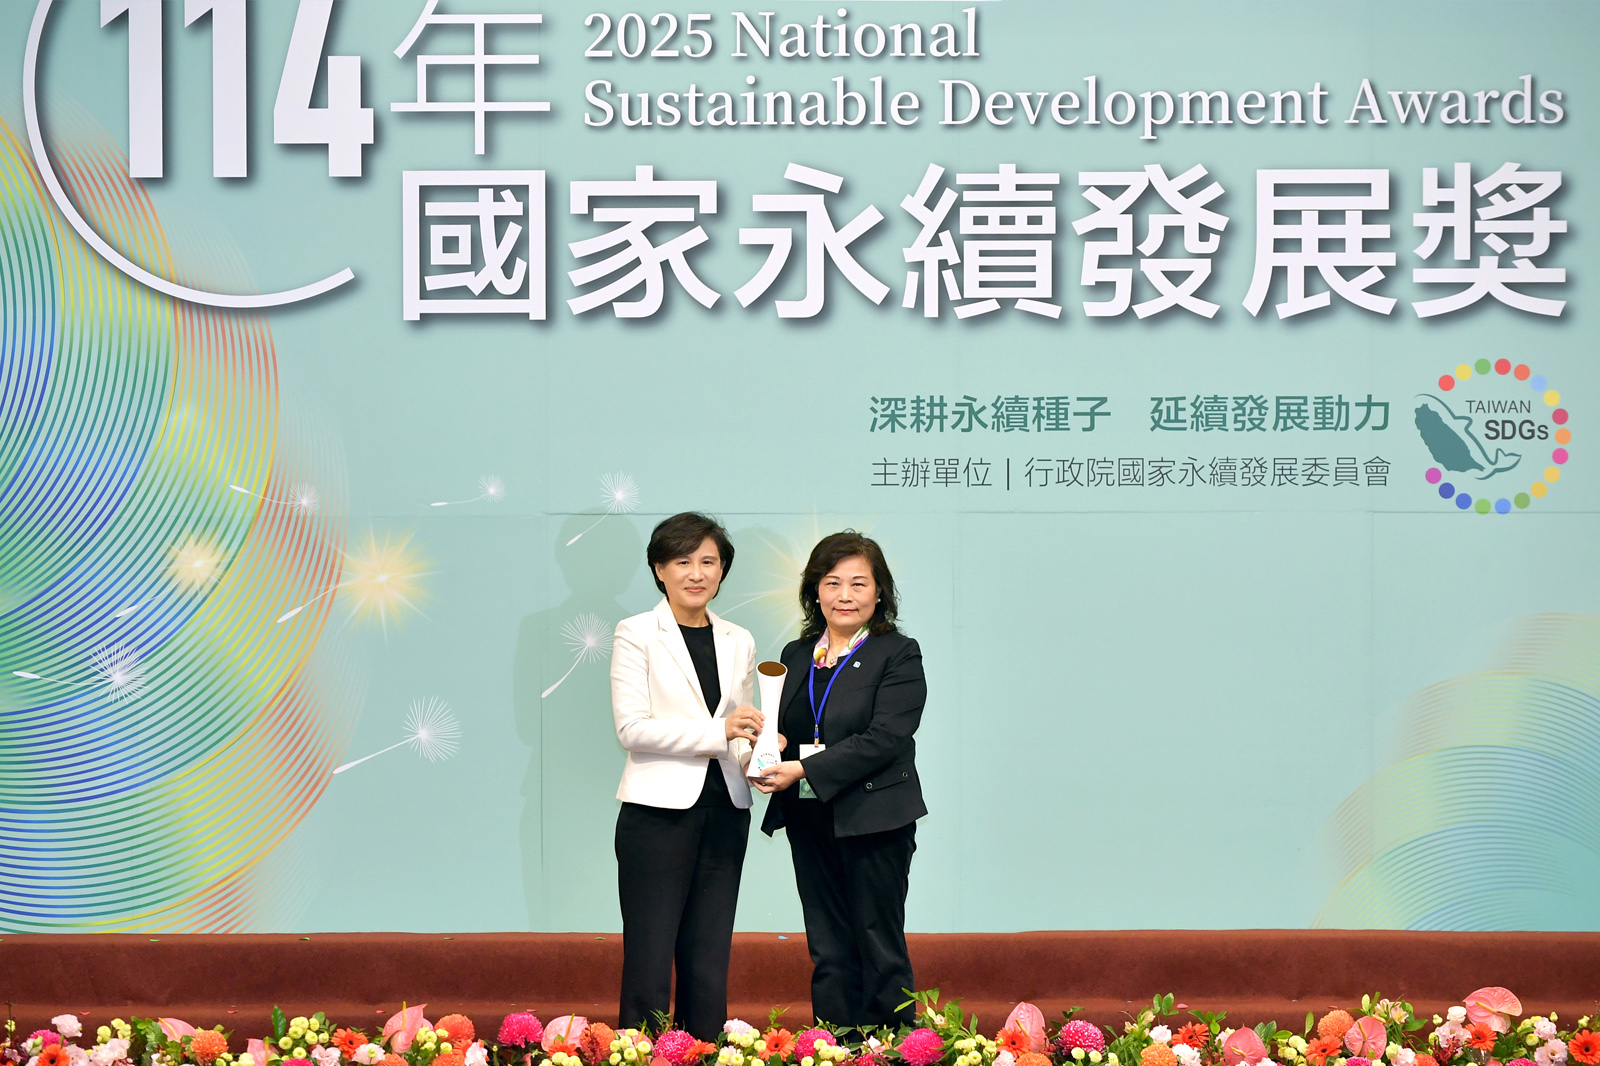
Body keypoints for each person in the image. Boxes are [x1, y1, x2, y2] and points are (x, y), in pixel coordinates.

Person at [754, 531, 926, 1029]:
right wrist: (769, 747)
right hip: (810, 815)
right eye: (832, 583)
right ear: (815, 591)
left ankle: (894, 1049)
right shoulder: (796, 654)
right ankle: (834, 1046)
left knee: (877, 939)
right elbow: (790, 727)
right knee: (827, 945)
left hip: (874, 818)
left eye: (858, 583)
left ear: (879, 591)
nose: (844, 595)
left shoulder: (898, 652)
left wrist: (804, 768)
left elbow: (886, 737)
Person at [610, 512, 762, 1039]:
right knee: (650, 956)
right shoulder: (636, 633)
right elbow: (632, 728)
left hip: (726, 809)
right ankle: (640, 1050)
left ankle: (703, 1049)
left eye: (708, 562)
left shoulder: (739, 639)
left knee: (708, 957)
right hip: (657, 814)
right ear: (659, 569)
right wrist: (721, 732)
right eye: (682, 561)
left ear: (722, 571)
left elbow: (738, 730)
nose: (696, 573)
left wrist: (761, 752)